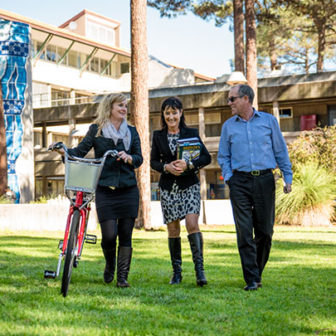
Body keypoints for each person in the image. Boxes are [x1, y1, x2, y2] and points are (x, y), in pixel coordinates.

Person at [54, 93, 143, 288]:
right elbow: (79, 152)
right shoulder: (96, 130)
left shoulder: (132, 132)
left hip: (128, 189)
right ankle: (110, 264)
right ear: (109, 108)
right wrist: (64, 152)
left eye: (125, 106)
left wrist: (129, 157)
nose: (124, 109)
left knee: (126, 234)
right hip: (105, 189)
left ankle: (122, 278)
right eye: (120, 105)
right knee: (109, 235)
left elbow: (139, 158)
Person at [218, 84, 292, 291]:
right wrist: (230, 178)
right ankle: (251, 278)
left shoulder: (269, 122)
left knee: (265, 232)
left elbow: (281, 151)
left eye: (232, 99)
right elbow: (223, 156)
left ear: (246, 99)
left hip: (265, 181)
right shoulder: (228, 126)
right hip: (239, 182)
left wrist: (288, 177)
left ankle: (256, 272)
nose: (229, 103)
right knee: (244, 231)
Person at [150, 96, 211, 286]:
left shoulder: (191, 133)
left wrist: (189, 164)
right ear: (163, 115)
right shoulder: (158, 136)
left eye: (174, 112)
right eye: (167, 113)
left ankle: (199, 272)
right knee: (173, 229)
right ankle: (177, 273)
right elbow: (153, 162)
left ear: (181, 113)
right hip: (169, 188)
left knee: (192, 224)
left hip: (189, 186)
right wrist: (166, 167)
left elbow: (206, 158)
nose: (170, 117)